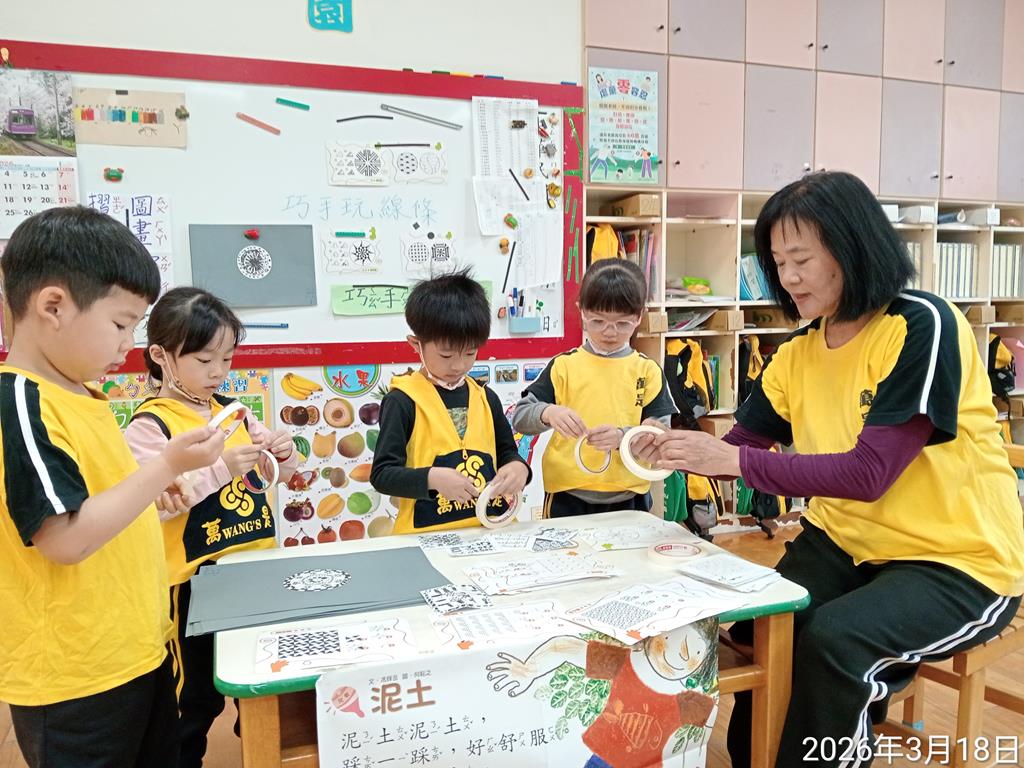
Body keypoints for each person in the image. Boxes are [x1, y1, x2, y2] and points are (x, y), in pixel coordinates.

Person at [637, 172, 1024, 767]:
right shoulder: (796, 353)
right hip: (845, 541)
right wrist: (662, 444)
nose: (787, 277)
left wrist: (734, 459)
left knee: (837, 641)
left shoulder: (921, 325)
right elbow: (738, 447)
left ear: (853, 248)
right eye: (777, 263)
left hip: (959, 559)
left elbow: (870, 474)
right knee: (763, 628)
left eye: (802, 260)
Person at [0, 206, 225, 768]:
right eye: (122, 324)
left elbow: (95, 498)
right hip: (76, 676)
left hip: (138, 649)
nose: (128, 343)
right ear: (53, 306)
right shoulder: (21, 402)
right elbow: (64, 539)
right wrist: (164, 468)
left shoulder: (83, 394)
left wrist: (149, 491)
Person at [124, 286, 298, 768]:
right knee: (193, 700)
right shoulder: (150, 426)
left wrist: (282, 454)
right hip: (192, 586)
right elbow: (152, 505)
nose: (219, 371)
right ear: (161, 356)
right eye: (204, 360)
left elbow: (274, 475)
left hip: (251, 572)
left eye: (227, 358)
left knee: (262, 685)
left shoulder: (234, 410)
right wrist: (221, 468)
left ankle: (262, 752)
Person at [370, 268, 530, 534]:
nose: (458, 365)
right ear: (416, 345)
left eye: (469, 353)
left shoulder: (485, 397)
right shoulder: (402, 401)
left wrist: (518, 467)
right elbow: (382, 475)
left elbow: (507, 451)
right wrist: (431, 478)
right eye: (446, 355)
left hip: (490, 529)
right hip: (425, 535)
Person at [513, 258, 676, 518]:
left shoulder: (647, 371)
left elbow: (660, 435)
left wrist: (624, 437)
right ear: (582, 312)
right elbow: (520, 417)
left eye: (622, 323)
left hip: (629, 495)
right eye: (598, 321)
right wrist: (548, 413)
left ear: (639, 317)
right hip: (567, 495)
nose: (610, 332)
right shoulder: (564, 366)